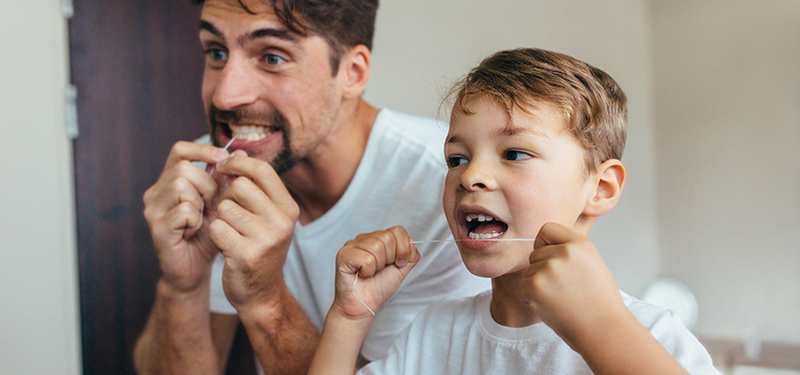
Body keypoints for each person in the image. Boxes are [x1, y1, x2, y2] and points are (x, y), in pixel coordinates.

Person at [308, 48, 722, 374]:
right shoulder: (436, 332)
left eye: (515, 153)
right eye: (456, 159)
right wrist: (348, 317)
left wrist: (600, 326)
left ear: (601, 188)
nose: (471, 176)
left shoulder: (652, 334)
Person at [132, 0, 488, 373]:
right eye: (216, 52)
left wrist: (264, 300)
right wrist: (181, 286)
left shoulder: (450, 192)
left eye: (272, 57)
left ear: (352, 73)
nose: (225, 95)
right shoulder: (214, 173)